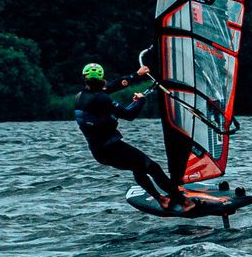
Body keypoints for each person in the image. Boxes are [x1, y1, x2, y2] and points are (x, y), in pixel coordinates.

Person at [76, 61, 186, 206]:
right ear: (102, 79)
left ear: (85, 79)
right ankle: (183, 202)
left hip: (99, 152)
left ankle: (161, 199)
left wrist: (136, 75)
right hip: (112, 149)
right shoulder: (102, 98)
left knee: (138, 166)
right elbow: (129, 115)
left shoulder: (81, 96)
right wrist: (140, 101)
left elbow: (113, 86)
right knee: (152, 167)